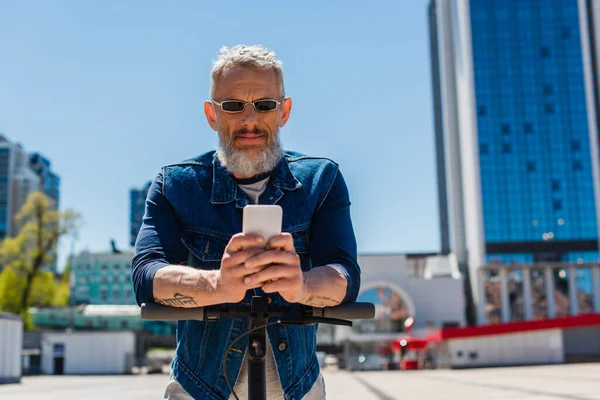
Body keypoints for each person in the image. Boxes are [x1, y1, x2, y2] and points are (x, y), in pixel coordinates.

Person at [132, 44, 361, 400]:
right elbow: (146, 276)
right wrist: (217, 285)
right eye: (234, 106)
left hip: (298, 389)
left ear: (284, 111)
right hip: (197, 389)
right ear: (212, 115)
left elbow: (345, 274)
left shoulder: (322, 180)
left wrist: (300, 285)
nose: (250, 120)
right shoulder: (174, 185)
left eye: (265, 105)